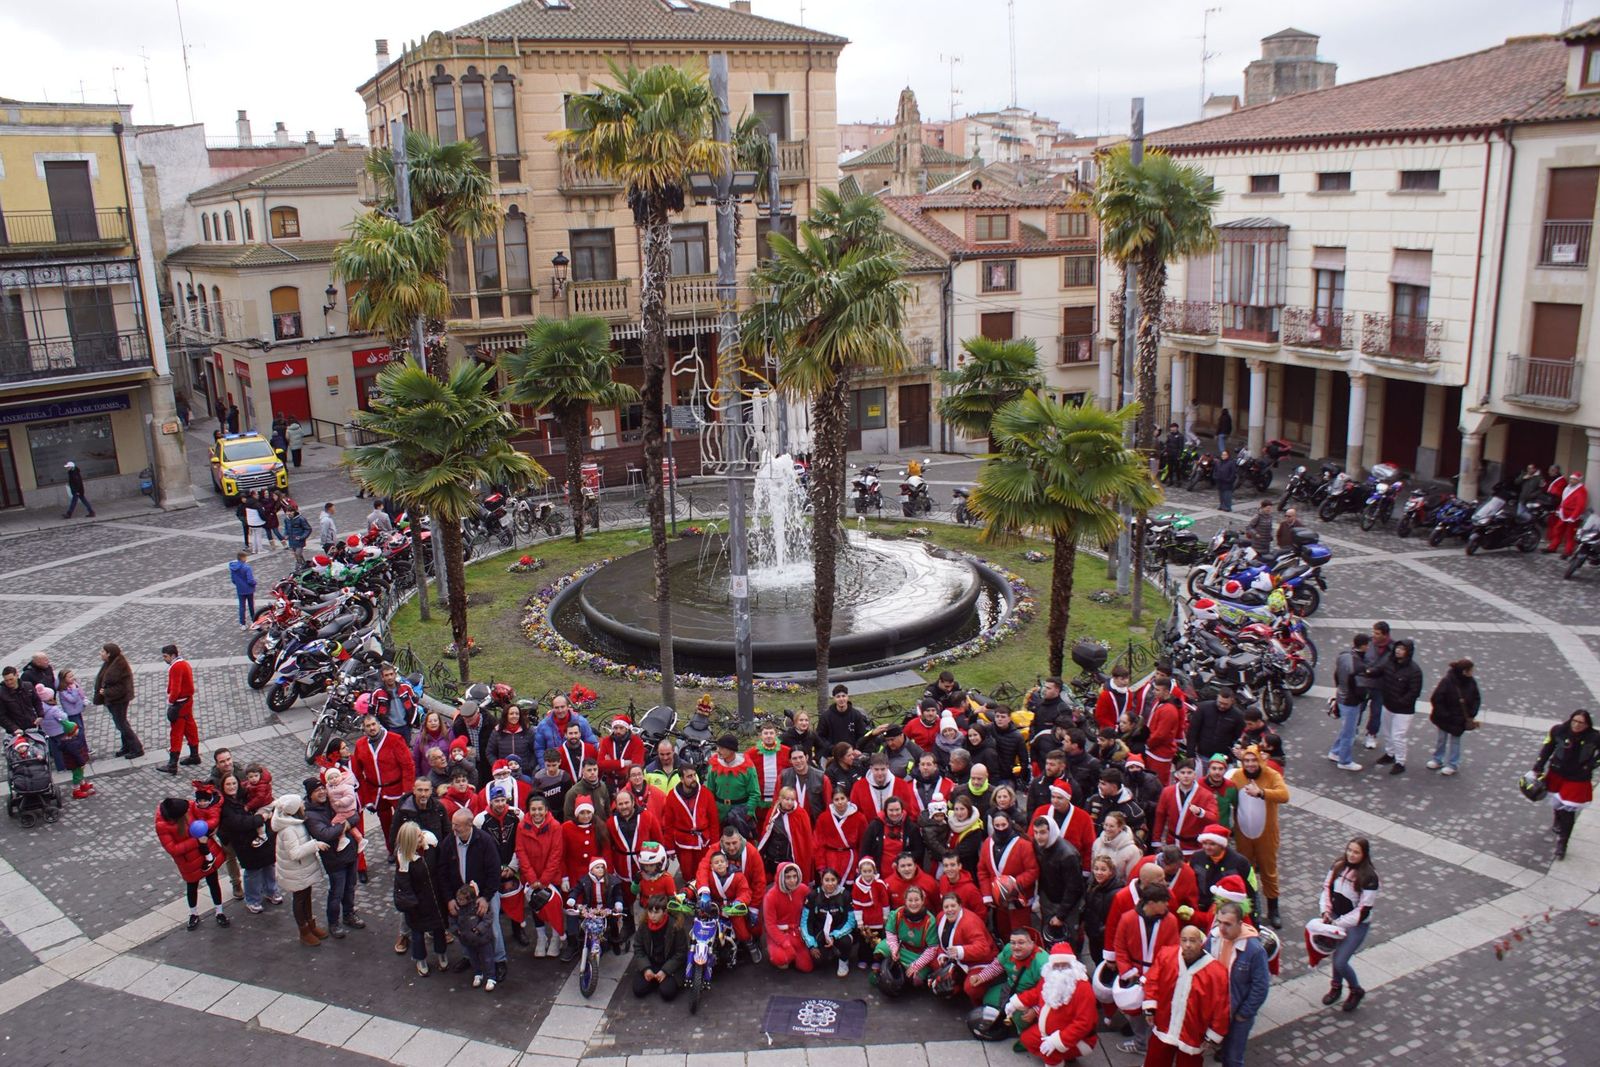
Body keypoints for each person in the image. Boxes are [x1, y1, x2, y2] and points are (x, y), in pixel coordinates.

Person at [1140, 925, 1231, 1067]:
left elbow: (1221, 1007)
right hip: (1164, 1025)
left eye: (1193, 940)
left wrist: (1213, 1034)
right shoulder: (1166, 956)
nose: (1188, 945)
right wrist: (1150, 1008)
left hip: (1193, 1034)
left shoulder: (1217, 973)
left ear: (1201, 943)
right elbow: (1152, 980)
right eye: (1184, 940)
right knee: (1155, 1061)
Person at [438, 807, 507, 980]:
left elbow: (493, 872)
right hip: (462, 897)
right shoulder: (449, 842)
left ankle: (499, 961)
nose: (453, 829)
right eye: (453, 824)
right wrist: (449, 899)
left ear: (469, 825)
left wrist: (486, 897)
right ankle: (470, 957)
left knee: (493, 928)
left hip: (484, 894)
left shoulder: (485, 841)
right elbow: (442, 872)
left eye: (457, 826)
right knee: (464, 927)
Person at [1111, 882, 1178, 1056]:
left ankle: (1154, 1047)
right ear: (1151, 903)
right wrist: (1128, 971)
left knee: (1156, 1014)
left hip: (1159, 976)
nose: (1168, 905)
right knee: (1134, 1012)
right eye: (1164, 901)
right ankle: (1141, 1043)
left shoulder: (1170, 921)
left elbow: (1172, 951)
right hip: (1134, 974)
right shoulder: (1128, 918)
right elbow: (1120, 947)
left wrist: (1154, 975)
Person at [1224, 747, 1287, 928]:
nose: (1250, 764)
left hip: (1266, 834)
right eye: (1247, 761)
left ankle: (1273, 909)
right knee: (1245, 871)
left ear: (1261, 761)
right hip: (1243, 834)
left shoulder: (1271, 775)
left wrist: (1262, 793)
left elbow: (1284, 795)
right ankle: (1248, 908)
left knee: (1269, 870)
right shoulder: (1236, 776)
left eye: (1254, 760)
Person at [1318, 837, 1379, 1012]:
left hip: (1356, 925)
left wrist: (1339, 923)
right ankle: (1336, 986)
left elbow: (1363, 910)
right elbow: (1326, 889)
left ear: (1364, 854)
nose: (1351, 855)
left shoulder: (1370, 877)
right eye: (1349, 850)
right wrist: (1325, 911)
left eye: (1356, 852)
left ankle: (1356, 990)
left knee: (1340, 961)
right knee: (1335, 954)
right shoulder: (1338, 865)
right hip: (1336, 916)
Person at [155, 786, 228, 931]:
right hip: (188, 861)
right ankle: (193, 913)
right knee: (192, 887)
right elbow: (173, 849)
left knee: (213, 882)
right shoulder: (162, 826)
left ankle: (219, 911)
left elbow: (202, 812)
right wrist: (197, 840)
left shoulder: (185, 806)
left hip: (204, 854)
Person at [1207, 901, 1269, 1067]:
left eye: (1228, 924)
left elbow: (1261, 986)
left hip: (1237, 1015)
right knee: (1221, 1049)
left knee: (1233, 1058)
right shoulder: (1213, 938)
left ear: (1240, 924)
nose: (1222, 928)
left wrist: (1244, 1014)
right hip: (1216, 1010)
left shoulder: (1254, 950)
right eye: (1219, 922)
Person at [1015, 942, 1099, 1064]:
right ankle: (1065, 1055)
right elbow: (1036, 993)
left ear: (1072, 965)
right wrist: (1016, 1002)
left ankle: (1058, 1059)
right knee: (1027, 1039)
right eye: (1057, 965)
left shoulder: (1083, 988)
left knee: (1049, 1052)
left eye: (1064, 965)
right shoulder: (1050, 977)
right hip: (1049, 1032)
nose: (1060, 969)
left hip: (1080, 1039)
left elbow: (1084, 1024)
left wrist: (1057, 1041)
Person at [1534, 709, 1599, 860]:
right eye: (1574, 721)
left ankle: (1563, 843)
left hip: (1577, 777)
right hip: (1556, 773)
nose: (1576, 725)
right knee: (1557, 802)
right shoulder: (1558, 730)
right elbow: (1548, 748)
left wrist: (1591, 765)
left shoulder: (1595, 737)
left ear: (1587, 724)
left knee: (1568, 811)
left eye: (1581, 723)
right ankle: (1557, 818)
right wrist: (1538, 766)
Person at [303, 776, 364, 937]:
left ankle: (349, 914)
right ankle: (333, 922)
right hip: (334, 858)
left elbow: (355, 814)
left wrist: (345, 823)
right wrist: (346, 824)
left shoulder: (333, 801)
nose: (322, 792)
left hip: (349, 852)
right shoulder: (310, 815)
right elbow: (325, 834)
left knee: (350, 887)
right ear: (310, 795)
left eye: (323, 788)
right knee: (337, 892)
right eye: (317, 790)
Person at [271, 794, 329, 946]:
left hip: (301, 869)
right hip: (296, 871)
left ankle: (311, 925)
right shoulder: (289, 830)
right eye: (301, 806)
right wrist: (314, 845)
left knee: (306, 895)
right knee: (300, 898)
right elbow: (294, 853)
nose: (304, 807)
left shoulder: (295, 823)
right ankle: (304, 931)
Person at [393, 821, 449, 975]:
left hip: (435, 897)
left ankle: (441, 953)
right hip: (418, 901)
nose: (422, 837)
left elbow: (440, 867)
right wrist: (413, 904)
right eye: (418, 836)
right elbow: (403, 883)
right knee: (417, 932)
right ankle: (420, 959)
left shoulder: (431, 846)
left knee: (439, 928)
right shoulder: (403, 858)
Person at [514, 795, 568, 956]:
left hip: (550, 877)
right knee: (536, 908)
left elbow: (556, 854)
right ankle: (541, 937)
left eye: (540, 809)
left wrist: (544, 879)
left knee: (553, 908)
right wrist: (532, 878)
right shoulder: (522, 826)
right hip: (531, 877)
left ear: (546, 810)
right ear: (529, 811)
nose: (537, 812)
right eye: (533, 809)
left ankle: (556, 937)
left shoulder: (555, 826)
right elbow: (520, 852)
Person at [218, 773, 279, 913]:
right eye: (228, 784)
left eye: (234, 783)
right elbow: (238, 823)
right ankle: (252, 900)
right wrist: (260, 818)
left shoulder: (246, 795)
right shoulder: (225, 806)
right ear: (223, 786)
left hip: (263, 839)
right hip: (244, 843)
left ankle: (271, 891)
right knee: (253, 871)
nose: (232, 786)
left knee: (269, 866)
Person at [353, 714, 415, 853]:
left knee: (405, 821)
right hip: (377, 793)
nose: (372, 728)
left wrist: (407, 792)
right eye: (368, 726)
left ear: (379, 724)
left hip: (397, 789)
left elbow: (408, 766)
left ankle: (408, 849)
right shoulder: (360, 745)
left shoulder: (395, 740)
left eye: (374, 724)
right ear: (364, 729)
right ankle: (391, 849)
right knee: (386, 824)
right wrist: (367, 799)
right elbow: (358, 774)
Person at [660, 764, 719, 884]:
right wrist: (670, 847)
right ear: (681, 779)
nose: (693, 779)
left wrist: (714, 844)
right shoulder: (672, 796)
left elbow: (714, 821)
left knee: (704, 872)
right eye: (689, 776)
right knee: (687, 875)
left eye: (694, 775)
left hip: (703, 841)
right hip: (683, 843)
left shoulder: (706, 793)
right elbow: (668, 824)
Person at [1031, 816, 1085, 942]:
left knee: (1067, 941)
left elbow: (1074, 888)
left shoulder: (1068, 855)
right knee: (1048, 938)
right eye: (1036, 832)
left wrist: (1061, 915)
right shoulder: (1038, 845)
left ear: (1052, 831)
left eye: (1043, 832)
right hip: (1048, 898)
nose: (1039, 837)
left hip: (1066, 904)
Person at [1374, 638, 1422, 775]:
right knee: (1387, 732)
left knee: (1398, 736)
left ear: (1408, 652)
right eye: (1397, 648)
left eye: (1402, 649)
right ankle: (1390, 754)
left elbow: (1414, 692)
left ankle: (1400, 762)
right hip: (1388, 705)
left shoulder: (1414, 671)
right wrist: (1369, 671)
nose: (1398, 651)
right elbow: (1380, 670)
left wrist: (1400, 701)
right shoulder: (1390, 663)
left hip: (1403, 710)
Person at [1426, 658, 1480, 776]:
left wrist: (1471, 713)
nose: (1472, 673)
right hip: (1445, 718)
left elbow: (1476, 698)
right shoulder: (1448, 681)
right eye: (1470, 670)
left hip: (1459, 719)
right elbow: (1437, 699)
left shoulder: (1471, 682)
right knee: (1442, 739)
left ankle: (1452, 764)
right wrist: (1445, 714)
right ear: (1464, 671)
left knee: (1455, 741)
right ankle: (1438, 759)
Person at [802, 867, 859, 978]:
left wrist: (834, 936)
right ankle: (831, 952)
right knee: (818, 961)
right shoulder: (813, 896)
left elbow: (851, 921)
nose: (830, 883)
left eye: (833, 880)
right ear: (822, 881)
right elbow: (805, 922)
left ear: (837, 881)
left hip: (840, 933)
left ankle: (843, 961)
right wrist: (811, 945)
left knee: (845, 942)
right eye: (826, 880)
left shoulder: (845, 895)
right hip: (821, 933)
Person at [1152, 760, 1216, 857]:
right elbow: (1160, 816)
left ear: (1195, 774)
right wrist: (1156, 841)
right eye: (1182, 772)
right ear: (1177, 775)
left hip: (1195, 845)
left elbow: (1214, 818)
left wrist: (1201, 812)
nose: (1186, 776)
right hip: (1172, 843)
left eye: (1189, 772)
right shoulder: (1167, 792)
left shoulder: (1206, 795)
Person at [92, 643, 142, 759]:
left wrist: (106, 692)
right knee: (121, 722)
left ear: (109, 654)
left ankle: (136, 748)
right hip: (113, 700)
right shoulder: (110, 663)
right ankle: (127, 746)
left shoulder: (119, 666)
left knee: (122, 724)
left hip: (119, 700)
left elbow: (122, 687)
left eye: (103, 651)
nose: (101, 653)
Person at [1328, 633, 1370, 771]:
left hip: (1341, 695)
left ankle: (1335, 751)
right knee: (1349, 732)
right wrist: (1363, 697)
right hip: (1351, 701)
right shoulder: (1359, 666)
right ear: (1364, 646)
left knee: (1346, 728)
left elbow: (1336, 675)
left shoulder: (1344, 656)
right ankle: (1344, 760)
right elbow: (1360, 688)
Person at [632, 894, 687, 999]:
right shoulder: (644, 925)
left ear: (664, 912)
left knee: (667, 993)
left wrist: (665, 971)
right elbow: (638, 947)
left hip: (669, 965)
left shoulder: (675, 926)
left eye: (656, 912)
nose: (652, 916)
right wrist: (646, 968)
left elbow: (681, 953)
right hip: (651, 963)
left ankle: (660, 981)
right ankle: (655, 980)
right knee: (638, 990)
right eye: (650, 911)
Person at [158, 644, 201, 775]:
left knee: (176, 734)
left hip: (180, 704)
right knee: (190, 728)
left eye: (165, 656)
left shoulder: (175, 667)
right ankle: (194, 756)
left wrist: (170, 701)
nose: (164, 659)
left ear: (173, 655)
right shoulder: (185, 664)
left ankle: (172, 764)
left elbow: (175, 689)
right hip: (187, 702)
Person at [765, 861, 815, 972]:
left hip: (798, 932)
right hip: (780, 933)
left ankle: (793, 954)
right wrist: (784, 942)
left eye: (794, 876)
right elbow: (770, 924)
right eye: (788, 877)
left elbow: (814, 904)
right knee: (781, 960)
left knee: (806, 967)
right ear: (781, 878)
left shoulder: (803, 889)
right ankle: (783, 953)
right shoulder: (771, 896)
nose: (792, 880)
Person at [452, 881, 499, 991]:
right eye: (458, 899)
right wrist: (456, 930)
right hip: (468, 940)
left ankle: (491, 977)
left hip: (482, 939)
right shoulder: (458, 909)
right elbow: (452, 921)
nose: (459, 901)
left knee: (488, 958)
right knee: (473, 959)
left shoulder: (478, 906)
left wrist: (479, 929)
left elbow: (488, 919)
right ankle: (478, 974)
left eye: (461, 899)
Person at [814, 787, 868, 882]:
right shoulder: (824, 818)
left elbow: (863, 844)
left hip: (851, 861)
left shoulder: (859, 818)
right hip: (830, 859)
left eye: (842, 798)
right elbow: (818, 843)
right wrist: (821, 866)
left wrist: (861, 863)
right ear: (832, 801)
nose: (840, 802)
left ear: (848, 799)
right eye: (836, 799)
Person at [1359, 621, 1394, 750]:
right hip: (1365, 683)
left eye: (1377, 633)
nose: (1374, 635)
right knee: (1359, 708)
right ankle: (1354, 729)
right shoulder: (1367, 643)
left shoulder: (1393, 648)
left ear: (1385, 635)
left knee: (1376, 712)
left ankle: (1371, 734)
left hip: (1380, 685)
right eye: (1373, 632)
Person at [817, 685, 874, 752]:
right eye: (838, 696)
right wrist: (833, 749)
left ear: (847, 697)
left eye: (843, 696)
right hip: (831, 754)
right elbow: (820, 737)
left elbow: (862, 736)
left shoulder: (856, 715)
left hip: (852, 753)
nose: (841, 699)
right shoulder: (825, 717)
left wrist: (855, 749)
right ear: (834, 698)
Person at [1544, 470, 1587, 555]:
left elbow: (1580, 505)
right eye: (1571, 479)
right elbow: (1563, 501)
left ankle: (1568, 551)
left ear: (1578, 480)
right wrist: (1559, 510)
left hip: (1572, 516)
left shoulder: (1581, 491)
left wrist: (1573, 517)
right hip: (1563, 514)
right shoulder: (1568, 488)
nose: (1571, 480)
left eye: (1573, 479)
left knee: (1570, 534)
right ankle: (1552, 547)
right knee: (1557, 530)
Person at [1093, 811, 1142, 883]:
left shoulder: (1132, 850)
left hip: (1118, 889)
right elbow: (1093, 867)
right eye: (1105, 825)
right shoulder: (1097, 842)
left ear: (1120, 827)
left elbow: (1130, 878)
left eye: (1111, 826)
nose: (1107, 828)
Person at [228, 551, 256, 630]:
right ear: (243, 558)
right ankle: (254, 620)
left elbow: (233, 580)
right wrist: (254, 583)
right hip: (249, 589)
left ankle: (242, 623)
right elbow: (250, 580)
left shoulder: (233, 568)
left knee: (242, 606)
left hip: (240, 589)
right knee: (251, 606)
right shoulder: (247, 568)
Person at [283, 504, 312, 570]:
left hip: (299, 540)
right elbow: (286, 528)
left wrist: (302, 537)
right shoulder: (286, 519)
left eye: (290, 511)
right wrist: (286, 534)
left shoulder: (301, 519)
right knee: (297, 554)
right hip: (291, 540)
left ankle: (299, 566)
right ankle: (304, 565)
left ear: (294, 511)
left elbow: (308, 529)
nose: (288, 513)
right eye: (287, 512)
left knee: (297, 554)